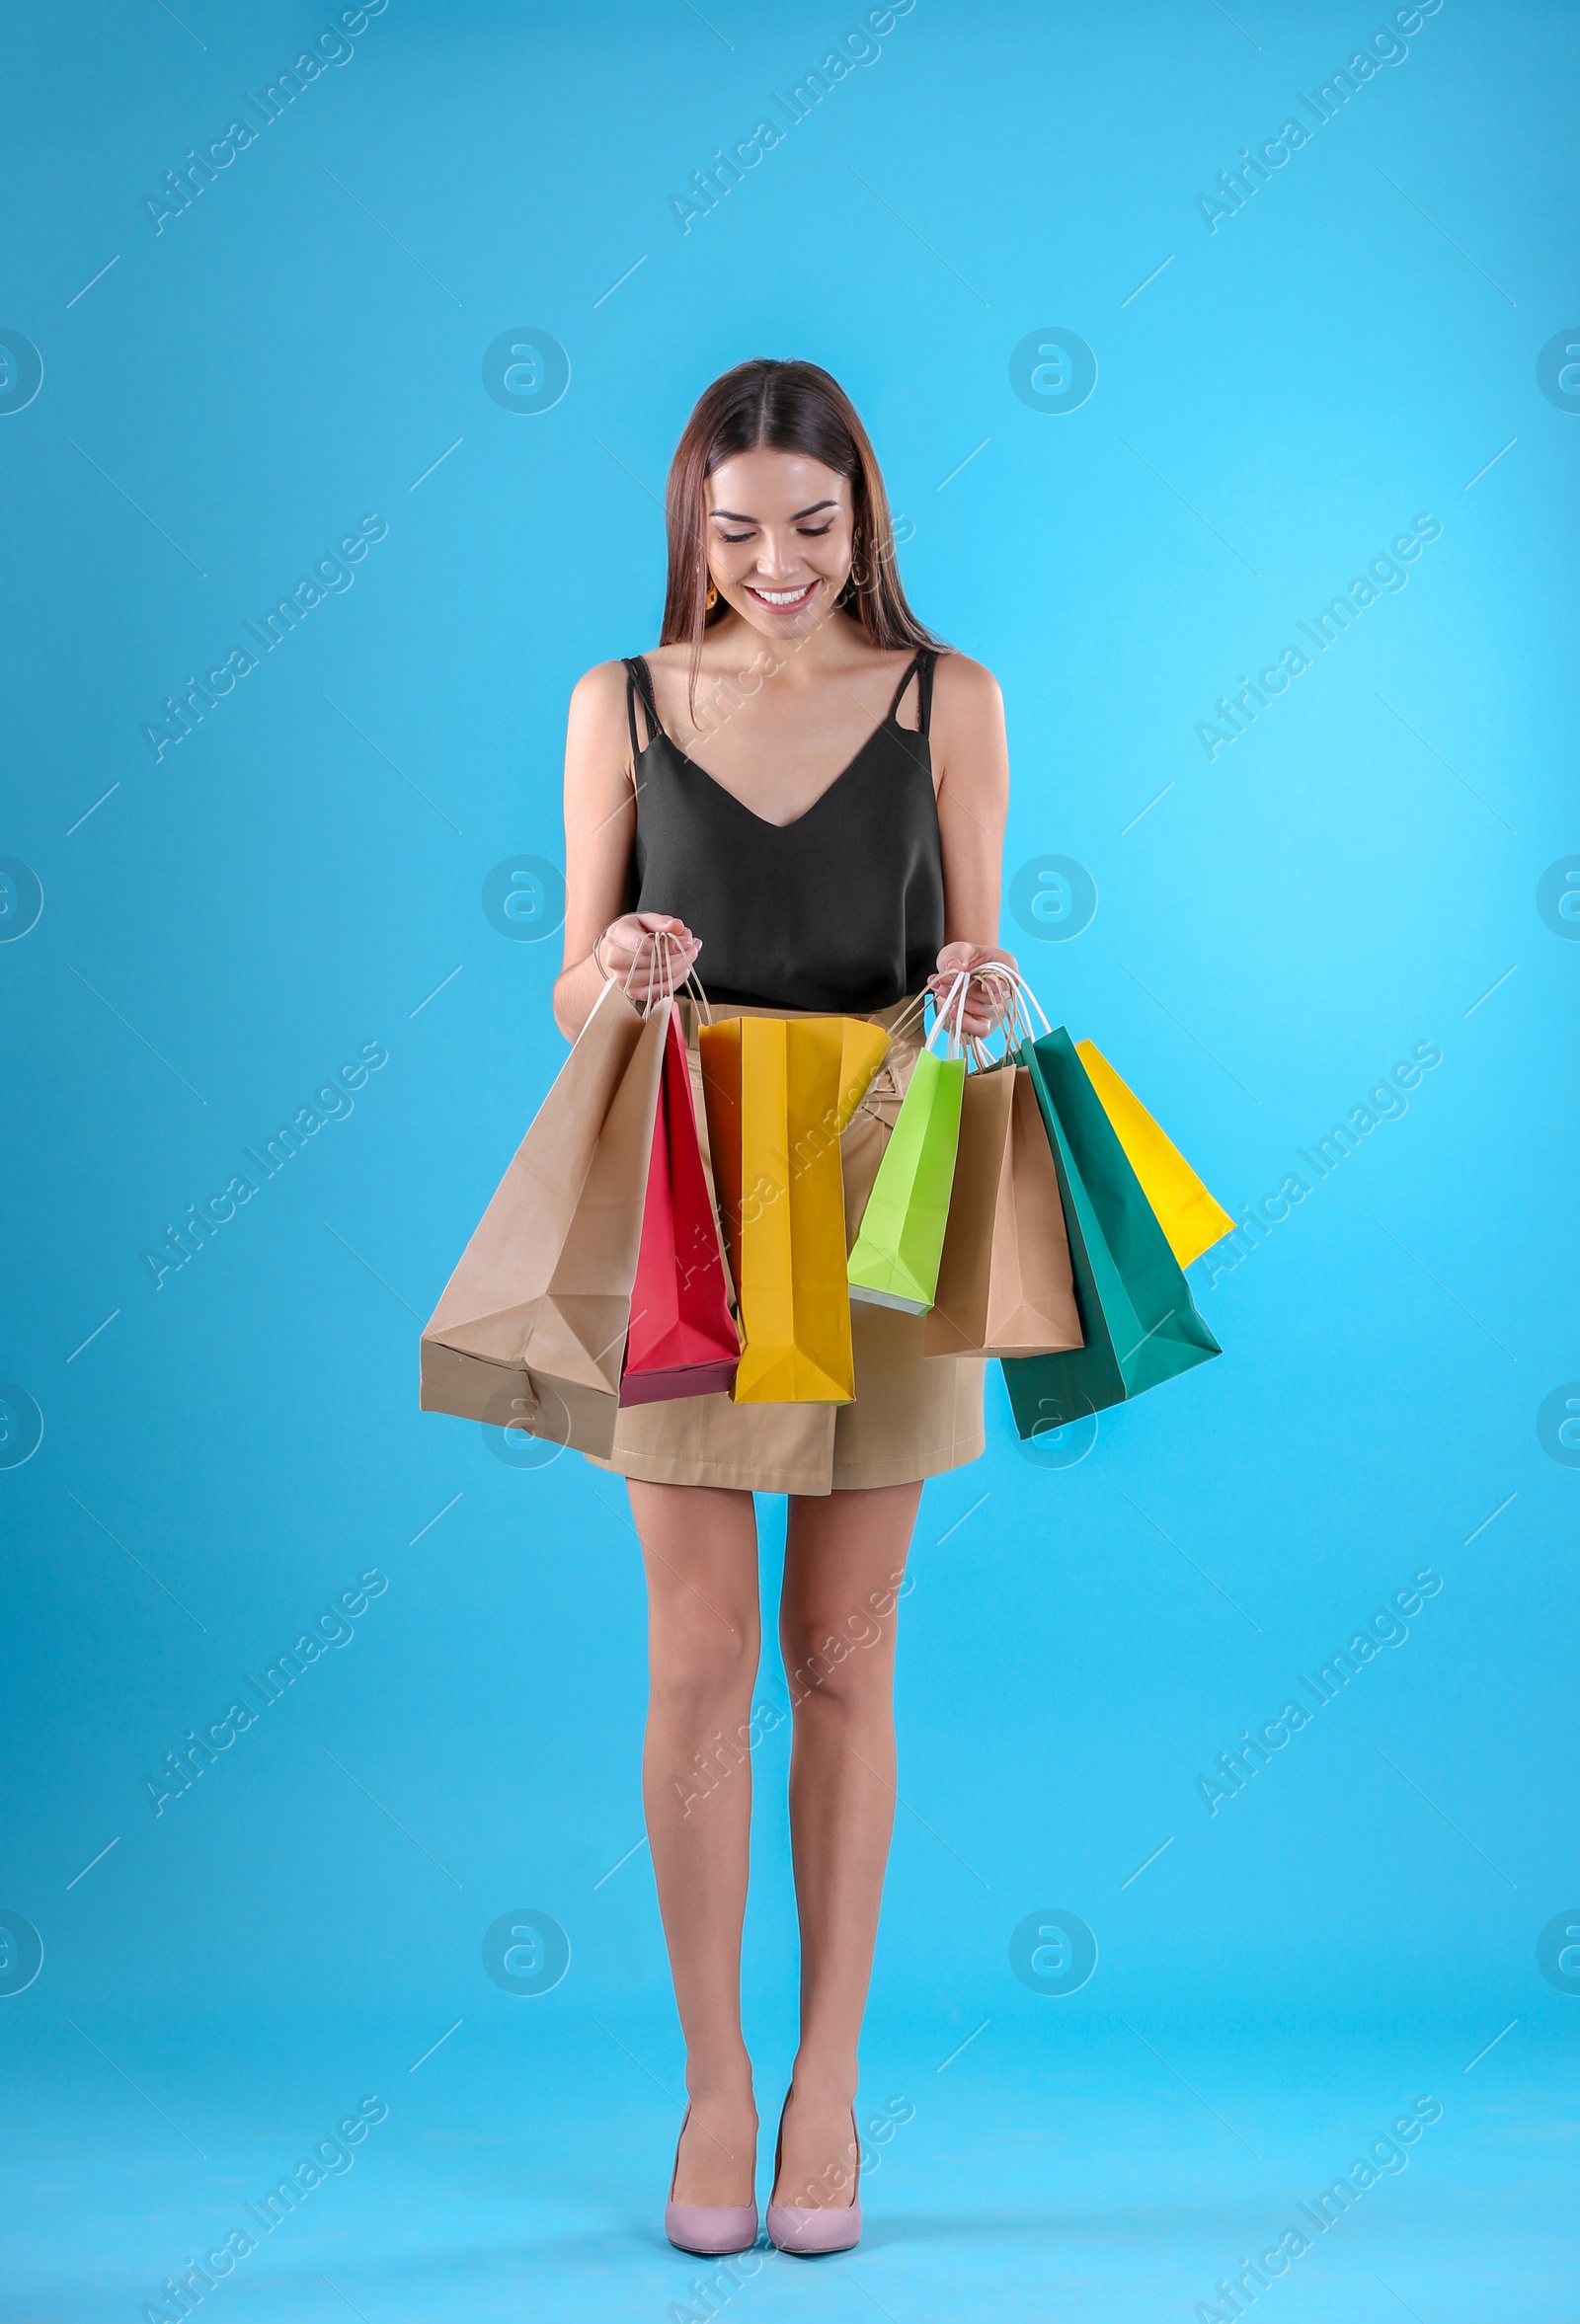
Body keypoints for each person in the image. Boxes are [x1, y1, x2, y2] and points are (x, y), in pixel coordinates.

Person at [554, 358, 1014, 2257]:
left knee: (842, 1655)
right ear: (690, 524)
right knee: (696, 1659)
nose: (774, 564)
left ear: (867, 517)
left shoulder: (948, 697)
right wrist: (624, 960)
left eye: (811, 529)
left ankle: (827, 2084)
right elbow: (572, 992)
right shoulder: (622, 702)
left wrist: (980, 993)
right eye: (734, 532)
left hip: (887, 1190)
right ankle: (716, 2081)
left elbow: (981, 955)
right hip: (679, 1194)